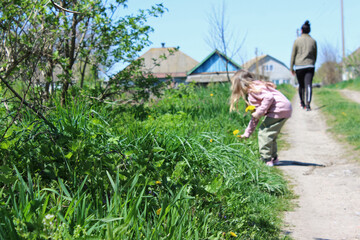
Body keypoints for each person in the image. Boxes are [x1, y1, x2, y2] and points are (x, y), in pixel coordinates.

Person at [230, 70, 292, 166]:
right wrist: (247, 133)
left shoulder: (253, 90)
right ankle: (274, 158)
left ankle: (266, 159)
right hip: (285, 107)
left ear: (240, 85)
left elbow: (269, 97)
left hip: (278, 109)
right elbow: (255, 118)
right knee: (271, 135)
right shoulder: (258, 86)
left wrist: (259, 112)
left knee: (264, 133)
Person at [290, 20, 317, 111]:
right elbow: (315, 54)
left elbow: (293, 55)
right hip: (310, 66)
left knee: (301, 85)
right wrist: (313, 63)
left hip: (299, 66)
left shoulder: (297, 41)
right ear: (309, 30)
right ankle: (308, 104)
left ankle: (302, 103)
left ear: (301, 30)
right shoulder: (313, 41)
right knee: (308, 85)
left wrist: (291, 68)